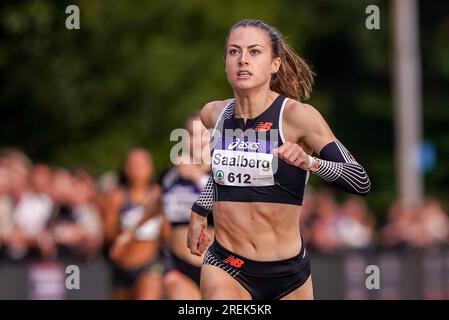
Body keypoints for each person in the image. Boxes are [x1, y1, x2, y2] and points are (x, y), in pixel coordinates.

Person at [187, 19, 371, 300]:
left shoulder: (297, 117)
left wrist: (310, 163)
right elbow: (220, 172)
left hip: (287, 273)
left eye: (254, 52)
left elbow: (360, 180)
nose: (242, 60)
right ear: (225, 61)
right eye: (234, 52)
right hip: (226, 264)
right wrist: (200, 210)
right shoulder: (213, 114)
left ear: (274, 64)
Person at [160, 114, 214, 299]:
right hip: (179, 263)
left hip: (215, 265)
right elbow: (155, 202)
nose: (197, 140)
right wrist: (130, 233)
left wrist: (196, 177)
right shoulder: (171, 175)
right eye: (192, 134)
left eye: (203, 134)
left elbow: (231, 206)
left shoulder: (222, 174)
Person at [104, 148, 167, 299]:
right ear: (125, 168)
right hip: (122, 266)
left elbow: (167, 233)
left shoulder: (158, 195)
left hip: (150, 264)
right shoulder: (117, 197)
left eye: (142, 164)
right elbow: (108, 234)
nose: (137, 168)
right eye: (133, 164)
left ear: (150, 167)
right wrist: (122, 237)